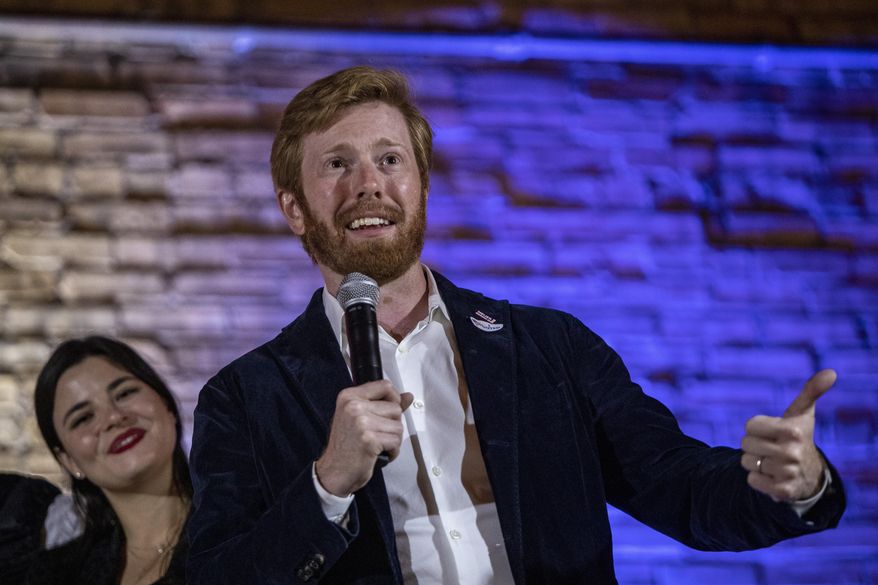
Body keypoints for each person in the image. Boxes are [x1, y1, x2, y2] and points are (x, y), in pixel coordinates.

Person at [186, 66, 845, 584]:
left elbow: (677, 483)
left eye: (390, 160)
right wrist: (326, 483)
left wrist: (790, 483)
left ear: (421, 186)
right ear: (294, 208)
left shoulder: (551, 349)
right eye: (337, 164)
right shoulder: (244, 398)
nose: (368, 184)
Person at [29, 336, 191, 585]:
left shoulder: (252, 526)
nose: (114, 417)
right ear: (69, 460)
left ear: (167, 405)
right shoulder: (59, 575)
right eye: (83, 418)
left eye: (125, 393)